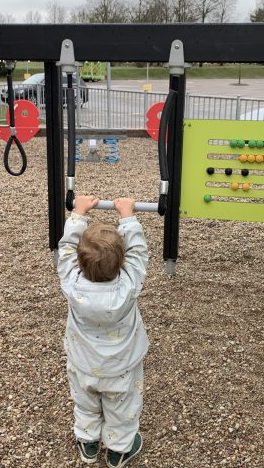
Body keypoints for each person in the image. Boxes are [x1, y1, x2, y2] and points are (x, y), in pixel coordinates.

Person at [57, 195, 149, 467]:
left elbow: (64, 250)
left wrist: (79, 214)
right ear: (122, 262)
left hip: (82, 363)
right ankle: (119, 450)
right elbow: (139, 253)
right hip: (121, 367)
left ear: (79, 261)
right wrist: (128, 217)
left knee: (85, 403)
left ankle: (87, 442)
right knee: (122, 409)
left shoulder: (71, 284)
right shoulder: (129, 287)